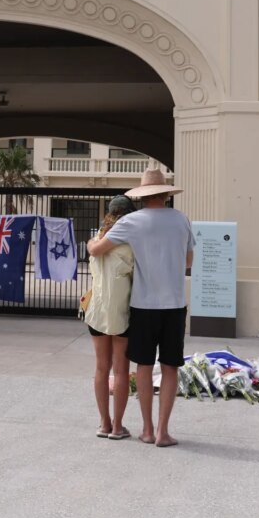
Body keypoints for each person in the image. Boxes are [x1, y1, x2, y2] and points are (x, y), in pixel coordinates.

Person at [86, 169, 193, 448]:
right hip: (175, 304)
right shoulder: (181, 220)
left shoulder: (131, 222)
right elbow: (189, 261)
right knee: (171, 367)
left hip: (143, 305)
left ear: (143, 196)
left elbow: (97, 250)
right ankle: (163, 432)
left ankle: (146, 429)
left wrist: (89, 243)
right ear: (167, 194)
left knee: (143, 366)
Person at [84, 195, 137, 440]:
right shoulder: (130, 243)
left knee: (101, 368)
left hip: (96, 310)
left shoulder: (95, 240)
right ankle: (117, 426)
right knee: (121, 370)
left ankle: (104, 423)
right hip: (121, 311)